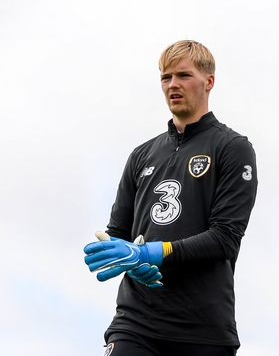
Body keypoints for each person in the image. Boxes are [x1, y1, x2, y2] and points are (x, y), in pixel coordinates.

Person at [83, 40, 258, 356]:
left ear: (209, 82)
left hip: (202, 332)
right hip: (136, 324)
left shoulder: (233, 148)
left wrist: (153, 252)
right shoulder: (141, 155)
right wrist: (131, 261)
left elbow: (225, 239)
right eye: (166, 77)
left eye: (183, 75)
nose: (173, 85)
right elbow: (119, 234)